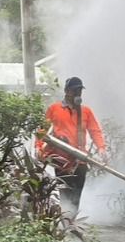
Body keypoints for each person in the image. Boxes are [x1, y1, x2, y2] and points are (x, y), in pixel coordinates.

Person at [35, 76, 107, 214]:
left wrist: (101, 148)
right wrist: (39, 148)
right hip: (61, 161)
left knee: (76, 195)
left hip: (80, 160)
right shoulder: (54, 109)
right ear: (67, 91)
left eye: (80, 90)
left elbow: (95, 131)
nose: (78, 94)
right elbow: (42, 131)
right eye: (75, 90)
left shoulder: (86, 111)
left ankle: (71, 222)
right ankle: (66, 222)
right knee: (65, 194)